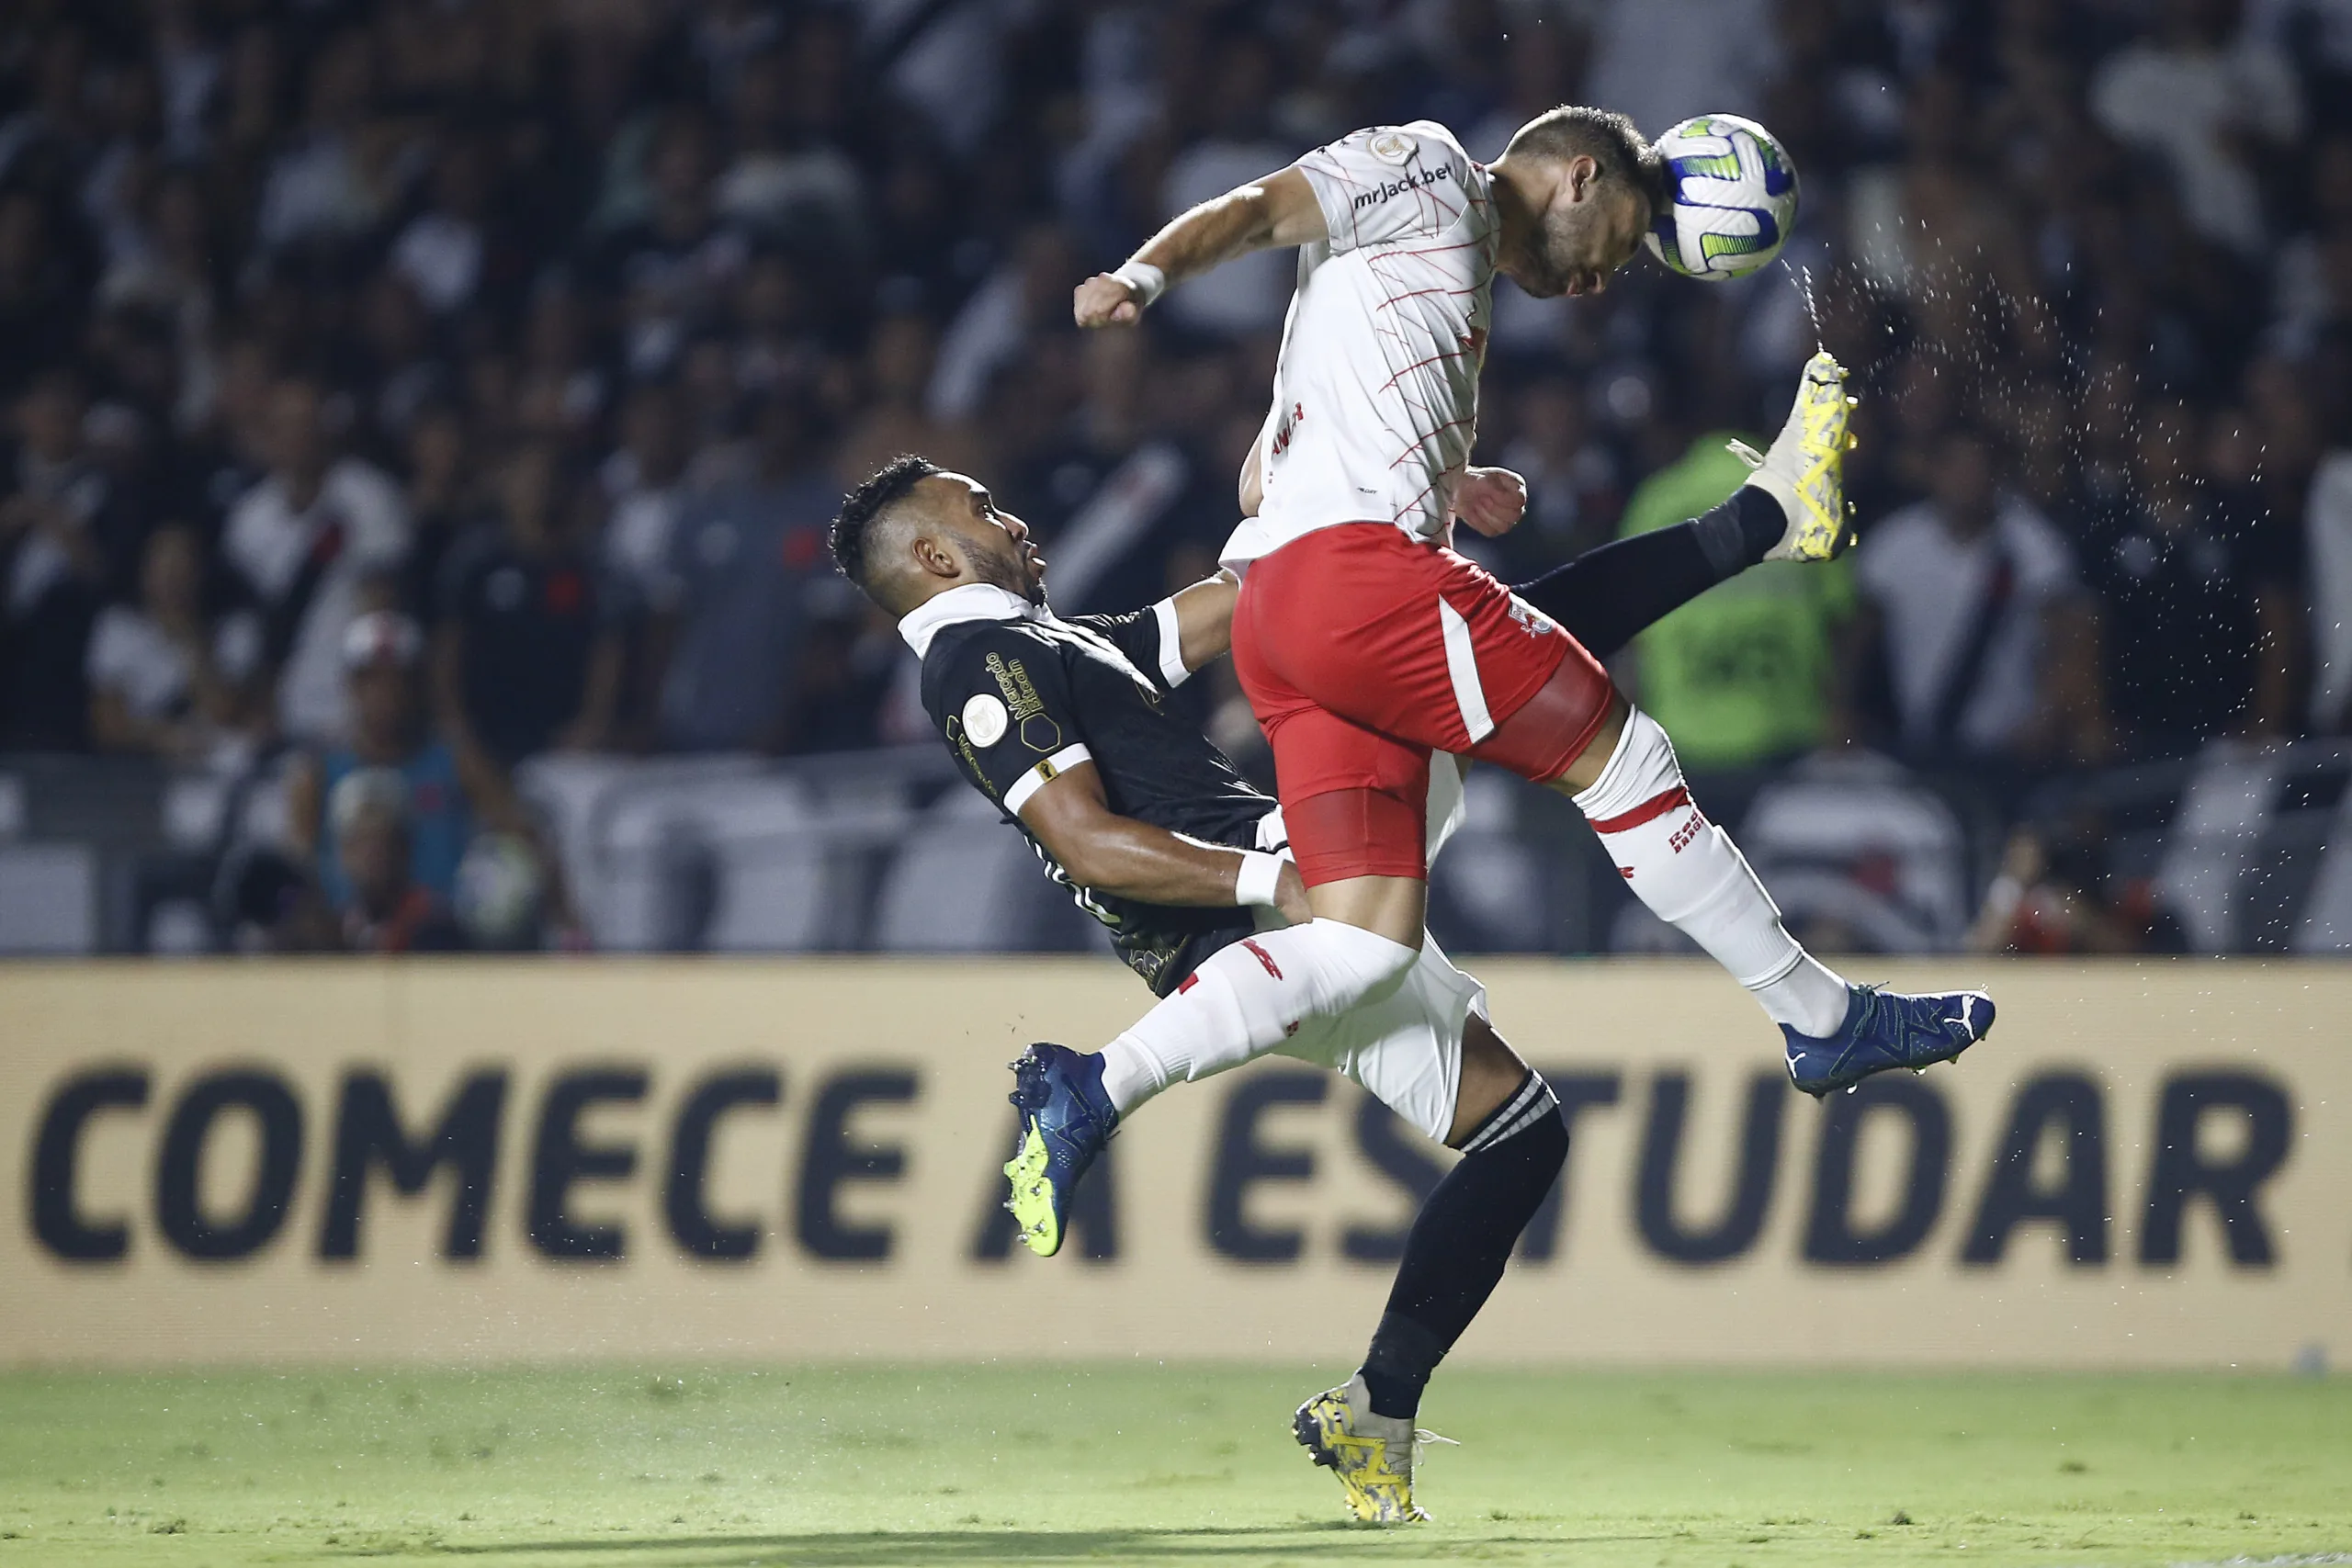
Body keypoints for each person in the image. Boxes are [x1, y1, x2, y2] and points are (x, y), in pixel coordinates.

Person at [831, 450, 1836, 1524]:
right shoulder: (973, 658)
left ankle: (1377, 1408)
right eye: (983, 508)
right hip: (1256, 907)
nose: (1014, 516)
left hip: (1278, 926)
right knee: (1482, 655)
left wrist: (1400, 497)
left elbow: (1246, 597)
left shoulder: (1049, 641)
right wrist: (1277, 879)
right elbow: (1085, 842)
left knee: (1521, 1134)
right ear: (935, 556)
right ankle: (1096, 1085)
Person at [1069, 111, 1989, 1100]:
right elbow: (1260, 207)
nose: (1598, 284)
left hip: (1280, 623)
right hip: (1353, 585)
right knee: (1622, 757)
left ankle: (1096, 1085)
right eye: (1621, 245)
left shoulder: (1424, 281)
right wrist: (1142, 277)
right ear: (1579, 178)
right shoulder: (1432, 173)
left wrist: (1445, 478)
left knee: (1362, 945)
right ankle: (1823, 1019)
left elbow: (1262, 481)